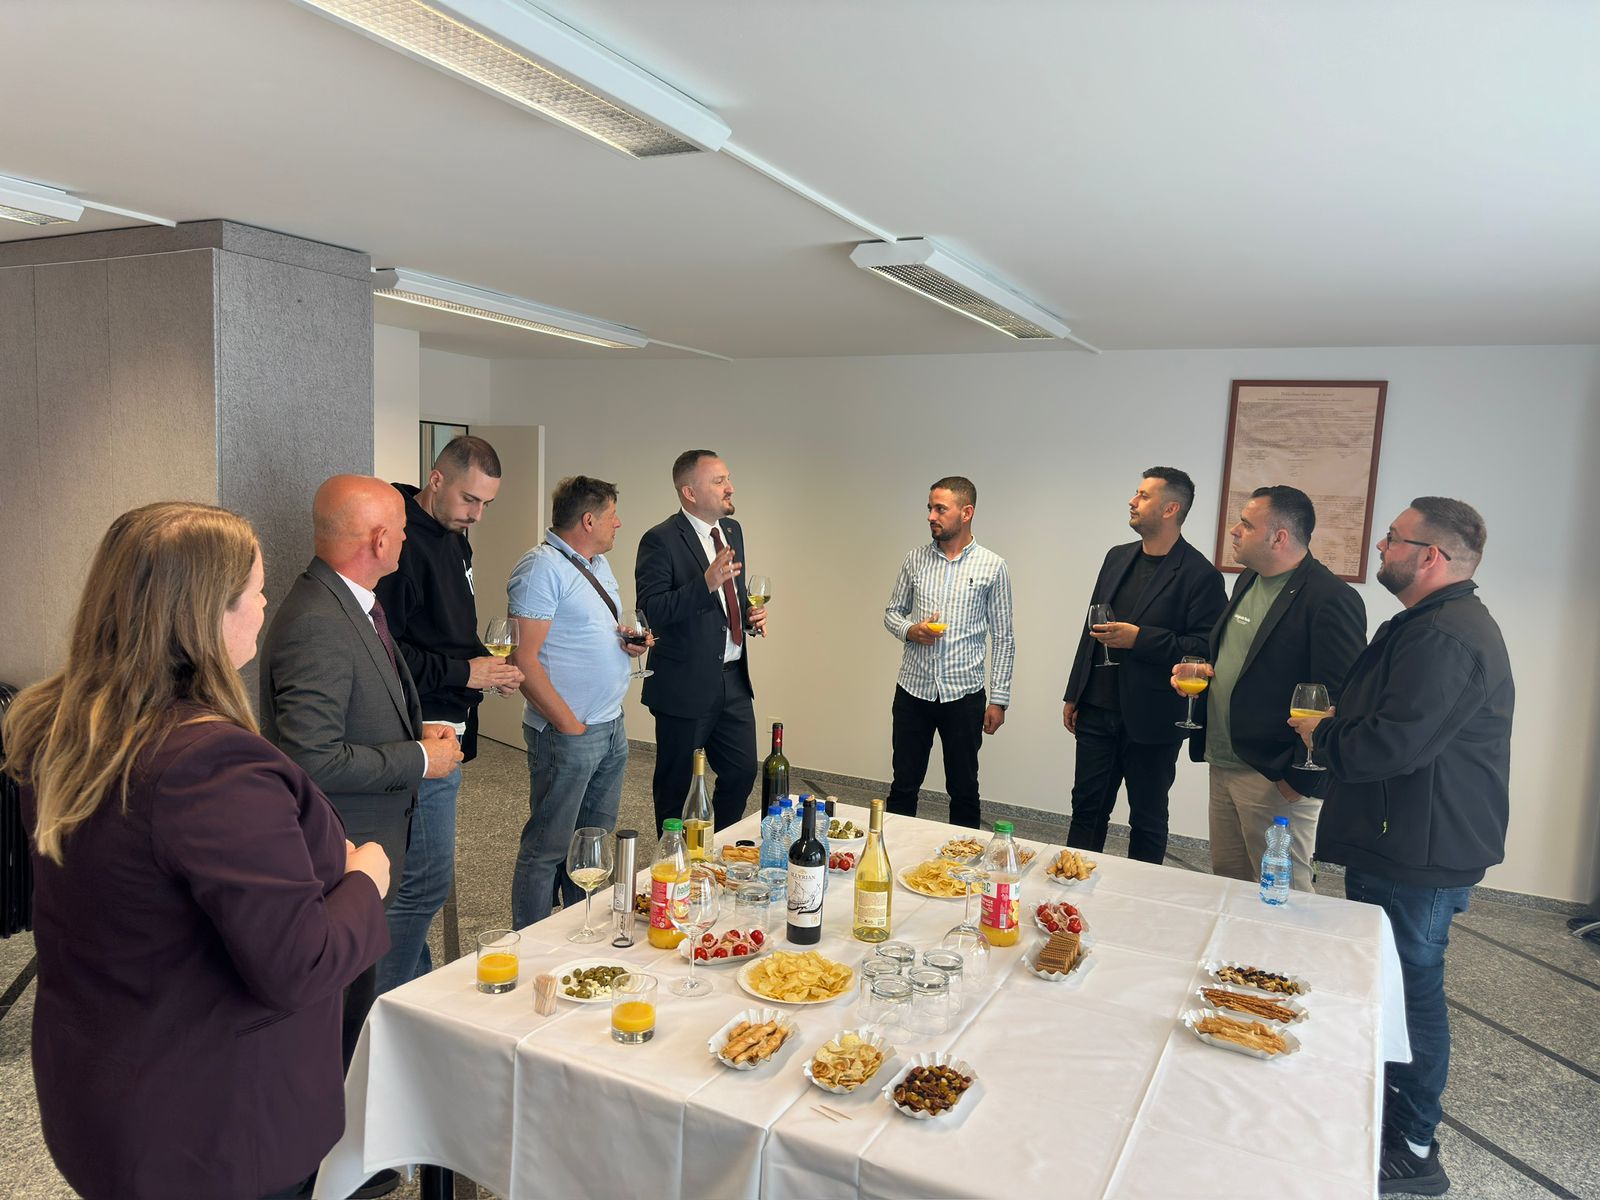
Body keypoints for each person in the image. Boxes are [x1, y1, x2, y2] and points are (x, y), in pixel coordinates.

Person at [3, 502, 390, 1200]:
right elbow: (298, 964)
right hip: (213, 1124)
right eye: (256, 591)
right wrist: (365, 878)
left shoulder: (59, 726)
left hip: (104, 1081)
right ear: (204, 614)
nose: (267, 604)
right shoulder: (210, 765)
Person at [1291, 498, 1511, 1197]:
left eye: (1393, 539)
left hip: (1419, 847)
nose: (1381, 547)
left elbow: (1392, 745)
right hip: (1404, 835)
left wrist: (1323, 734)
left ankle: (1415, 1148)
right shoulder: (1426, 623)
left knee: (1412, 992)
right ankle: (1381, 1120)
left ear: (1431, 556)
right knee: (1388, 985)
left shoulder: (1446, 636)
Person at [261, 475, 462, 1071]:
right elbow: (310, 758)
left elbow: (354, 710)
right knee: (344, 1026)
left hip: (369, 843)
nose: (406, 540)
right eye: (401, 530)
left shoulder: (351, 601)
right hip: (341, 852)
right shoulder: (318, 620)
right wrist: (420, 759)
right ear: (378, 540)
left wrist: (413, 732)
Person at [373, 436, 522, 993]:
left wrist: (484, 668)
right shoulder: (402, 543)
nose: (477, 514)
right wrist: (465, 673)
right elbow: (386, 653)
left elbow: (444, 632)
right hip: (418, 731)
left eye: (486, 504)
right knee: (423, 885)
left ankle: (409, 991)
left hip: (451, 723)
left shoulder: (454, 537)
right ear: (436, 480)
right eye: (469, 499)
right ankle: (378, 1009)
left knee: (416, 884)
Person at [1178, 485, 1366, 890]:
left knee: (1283, 894)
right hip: (1224, 761)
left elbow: (1339, 697)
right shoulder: (1248, 579)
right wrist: (1203, 676)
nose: (1234, 530)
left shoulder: (1331, 598)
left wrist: (1298, 780)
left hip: (1273, 776)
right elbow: (1246, 662)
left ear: (1279, 537)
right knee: (1230, 884)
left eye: (1246, 524)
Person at [1062, 467, 1226, 863]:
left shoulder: (1200, 575)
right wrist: (1075, 692)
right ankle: (1070, 887)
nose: (1132, 502)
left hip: (1154, 718)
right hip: (1097, 709)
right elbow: (1091, 629)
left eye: (1143, 495)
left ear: (1171, 509)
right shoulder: (1117, 557)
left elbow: (1204, 649)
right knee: (1086, 809)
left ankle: (1144, 895)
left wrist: (1140, 639)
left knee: (1148, 819)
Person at [507, 476, 647, 927]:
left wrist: (626, 641)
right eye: (612, 516)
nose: (618, 524)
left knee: (591, 843)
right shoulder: (540, 568)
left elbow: (589, 630)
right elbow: (522, 658)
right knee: (548, 847)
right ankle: (531, 943)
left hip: (610, 725)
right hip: (567, 731)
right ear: (588, 521)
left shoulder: (597, 563)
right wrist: (569, 725)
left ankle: (577, 929)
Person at [636, 449, 767, 831]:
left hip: (733, 679)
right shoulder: (660, 539)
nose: (730, 487)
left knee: (742, 772)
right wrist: (704, 584)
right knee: (676, 785)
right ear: (690, 492)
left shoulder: (732, 530)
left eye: (728, 478)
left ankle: (719, 845)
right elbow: (651, 610)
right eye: (719, 481)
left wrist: (748, 617)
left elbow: (729, 601)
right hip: (684, 683)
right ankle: (673, 855)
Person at [882, 476, 1015, 828]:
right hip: (913, 691)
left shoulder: (993, 566)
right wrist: (911, 630)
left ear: (966, 513)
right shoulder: (915, 560)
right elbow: (892, 613)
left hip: (964, 696)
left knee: (964, 789)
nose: (931, 516)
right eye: (929, 508)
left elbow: (1003, 638)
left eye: (940, 509)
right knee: (903, 785)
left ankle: (966, 858)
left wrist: (999, 700)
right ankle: (892, 853)